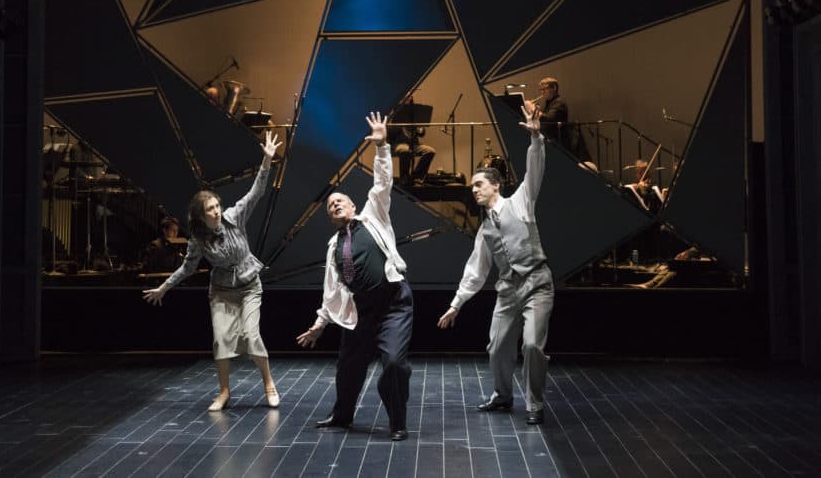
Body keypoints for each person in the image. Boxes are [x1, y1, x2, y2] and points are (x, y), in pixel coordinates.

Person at [143, 131, 282, 412]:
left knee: (251, 335)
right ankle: (223, 392)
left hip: (248, 286)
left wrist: (266, 161)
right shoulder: (197, 239)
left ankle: (269, 384)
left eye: (217, 206)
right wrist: (164, 288)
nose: (217, 211)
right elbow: (187, 268)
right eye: (211, 209)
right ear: (200, 216)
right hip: (220, 291)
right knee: (221, 340)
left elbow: (256, 192)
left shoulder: (234, 217)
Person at [296, 112, 414, 442]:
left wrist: (382, 146)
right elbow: (332, 292)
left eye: (339, 201)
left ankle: (397, 421)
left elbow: (382, 184)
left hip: (393, 305)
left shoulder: (372, 217)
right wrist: (320, 325)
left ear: (352, 205)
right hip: (360, 312)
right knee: (348, 366)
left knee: (392, 364)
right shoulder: (334, 245)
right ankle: (341, 416)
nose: (335, 205)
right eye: (330, 205)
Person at [437, 101, 554, 425]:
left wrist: (536, 139)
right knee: (497, 347)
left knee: (531, 345)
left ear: (495, 185)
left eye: (478, 185)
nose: (473, 190)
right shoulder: (484, 229)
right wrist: (456, 304)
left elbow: (535, 170)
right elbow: (476, 270)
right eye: (472, 186)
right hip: (508, 291)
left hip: (537, 285)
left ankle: (534, 404)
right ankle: (502, 397)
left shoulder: (521, 202)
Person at [388, 95, 436, 185]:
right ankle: (404, 178)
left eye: (410, 96)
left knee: (430, 151)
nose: (408, 98)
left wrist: (420, 129)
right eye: (406, 97)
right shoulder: (394, 111)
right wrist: (398, 124)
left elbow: (421, 133)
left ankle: (416, 177)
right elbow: (389, 133)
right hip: (398, 143)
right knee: (405, 150)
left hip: (413, 144)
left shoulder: (414, 112)